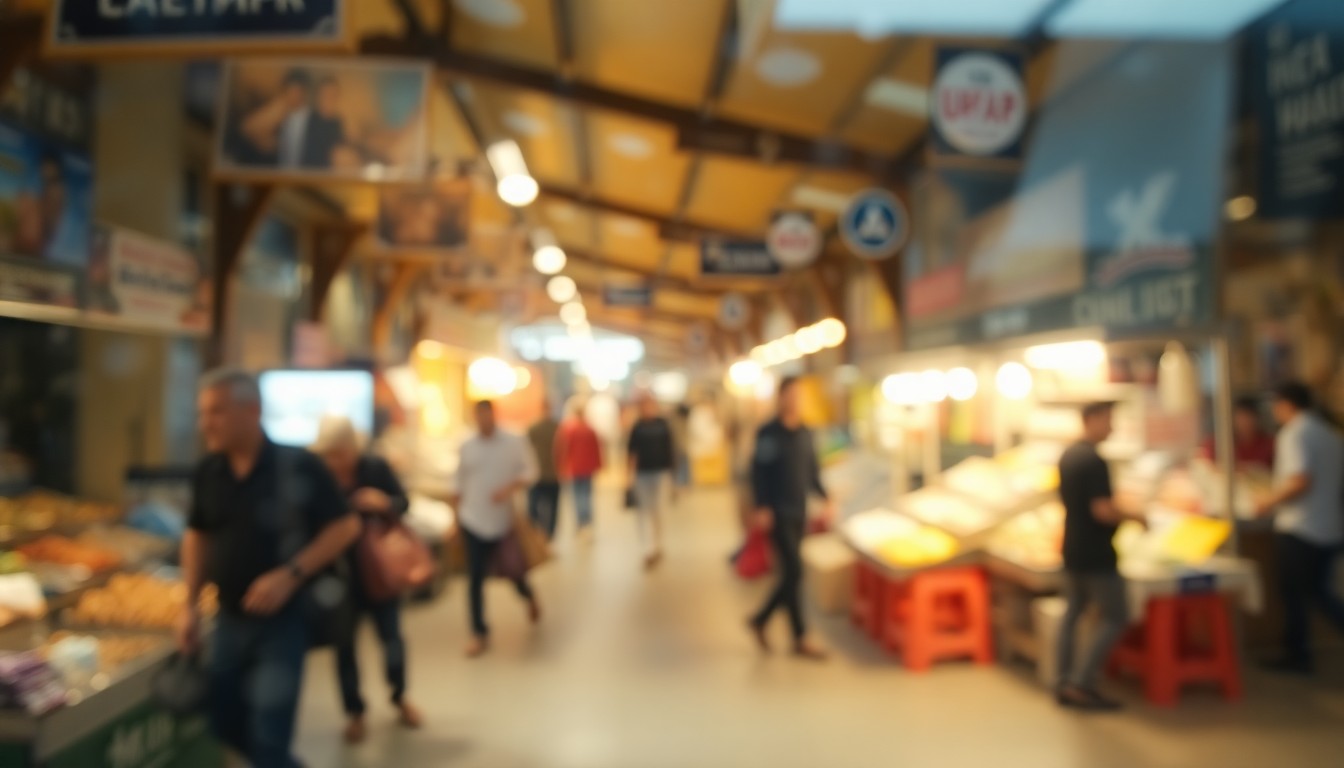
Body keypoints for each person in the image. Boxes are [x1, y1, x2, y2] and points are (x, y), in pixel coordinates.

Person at [178, 369, 361, 768]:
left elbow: (346, 526)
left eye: (216, 412)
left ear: (252, 410)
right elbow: (197, 535)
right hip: (227, 619)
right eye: (202, 413)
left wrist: (290, 574)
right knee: (223, 723)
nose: (205, 423)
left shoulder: (298, 466)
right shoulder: (209, 471)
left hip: (283, 624)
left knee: (269, 738)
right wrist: (189, 604)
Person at [310, 417, 422, 745]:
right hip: (340, 577)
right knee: (344, 646)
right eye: (328, 454)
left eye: (338, 453)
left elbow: (404, 503)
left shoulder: (375, 468)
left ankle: (399, 695)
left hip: (379, 570)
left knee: (392, 639)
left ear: (351, 448)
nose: (333, 461)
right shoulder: (321, 477)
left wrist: (384, 503)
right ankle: (354, 711)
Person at [1055, 401, 1147, 711]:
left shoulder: (1069, 455)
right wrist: (1135, 517)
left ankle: (1063, 680)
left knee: (1073, 613)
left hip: (1072, 546)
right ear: (1091, 420)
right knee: (1116, 616)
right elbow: (1102, 510)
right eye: (1108, 420)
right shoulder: (1093, 461)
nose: (1111, 426)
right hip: (1096, 551)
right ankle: (1082, 683)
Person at [1254, 381, 1344, 675]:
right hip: (1330, 526)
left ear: (1285, 404)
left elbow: (1300, 481)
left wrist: (1267, 502)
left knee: (1299, 595)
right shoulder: (1329, 433)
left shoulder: (1295, 433)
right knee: (1317, 593)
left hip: (1301, 528)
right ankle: (1298, 653)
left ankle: (1297, 656)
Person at [746, 376, 832, 659]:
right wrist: (761, 506)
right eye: (791, 394)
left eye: (799, 395)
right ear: (781, 397)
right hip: (777, 511)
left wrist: (825, 496)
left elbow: (812, 470)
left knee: (792, 575)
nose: (795, 400)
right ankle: (785, 629)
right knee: (794, 571)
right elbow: (758, 471)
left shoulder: (805, 432)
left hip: (799, 510)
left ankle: (777, 628)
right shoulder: (768, 433)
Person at [452, 400, 541, 658]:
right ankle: (478, 631)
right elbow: (457, 483)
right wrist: (456, 518)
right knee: (475, 577)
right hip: (473, 518)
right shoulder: (467, 446)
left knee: (513, 570)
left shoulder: (513, 442)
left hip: (502, 521)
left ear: (493, 416)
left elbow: (531, 471)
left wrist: (510, 489)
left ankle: (529, 595)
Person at [627, 393, 675, 569]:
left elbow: (670, 449)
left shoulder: (663, 425)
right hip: (643, 473)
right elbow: (631, 452)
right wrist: (629, 476)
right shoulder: (637, 426)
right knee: (644, 510)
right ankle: (648, 547)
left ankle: (658, 544)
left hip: (661, 472)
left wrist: (673, 474)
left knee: (659, 509)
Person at [555, 397, 602, 538]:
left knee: (578, 497)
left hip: (575, 467)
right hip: (585, 468)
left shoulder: (569, 429)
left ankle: (582, 524)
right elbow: (596, 449)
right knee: (586, 496)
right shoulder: (588, 428)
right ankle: (586, 523)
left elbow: (562, 449)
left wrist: (561, 466)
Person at [1200, 396, 1275, 471]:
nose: (1244, 423)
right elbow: (1205, 460)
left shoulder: (1268, 444)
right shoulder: (1222, 442)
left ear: (1256, 419)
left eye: (1248, 418)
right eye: (1240, 418)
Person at [527, 406, 562, 539]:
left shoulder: (534, 428)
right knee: (551, 507)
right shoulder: (556, 427)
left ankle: (540, 532)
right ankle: (547, 533)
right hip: (548, 473)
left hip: (542, 474)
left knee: (536, 507)